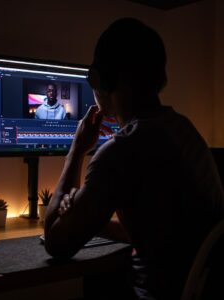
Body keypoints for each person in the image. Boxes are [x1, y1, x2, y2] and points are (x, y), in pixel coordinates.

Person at [44, 18, 224, 300]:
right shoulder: (183, 128)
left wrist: (77, 149)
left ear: (105, 80)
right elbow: (165, 230)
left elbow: (56, 242)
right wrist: (91, 217)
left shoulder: (120, 151)